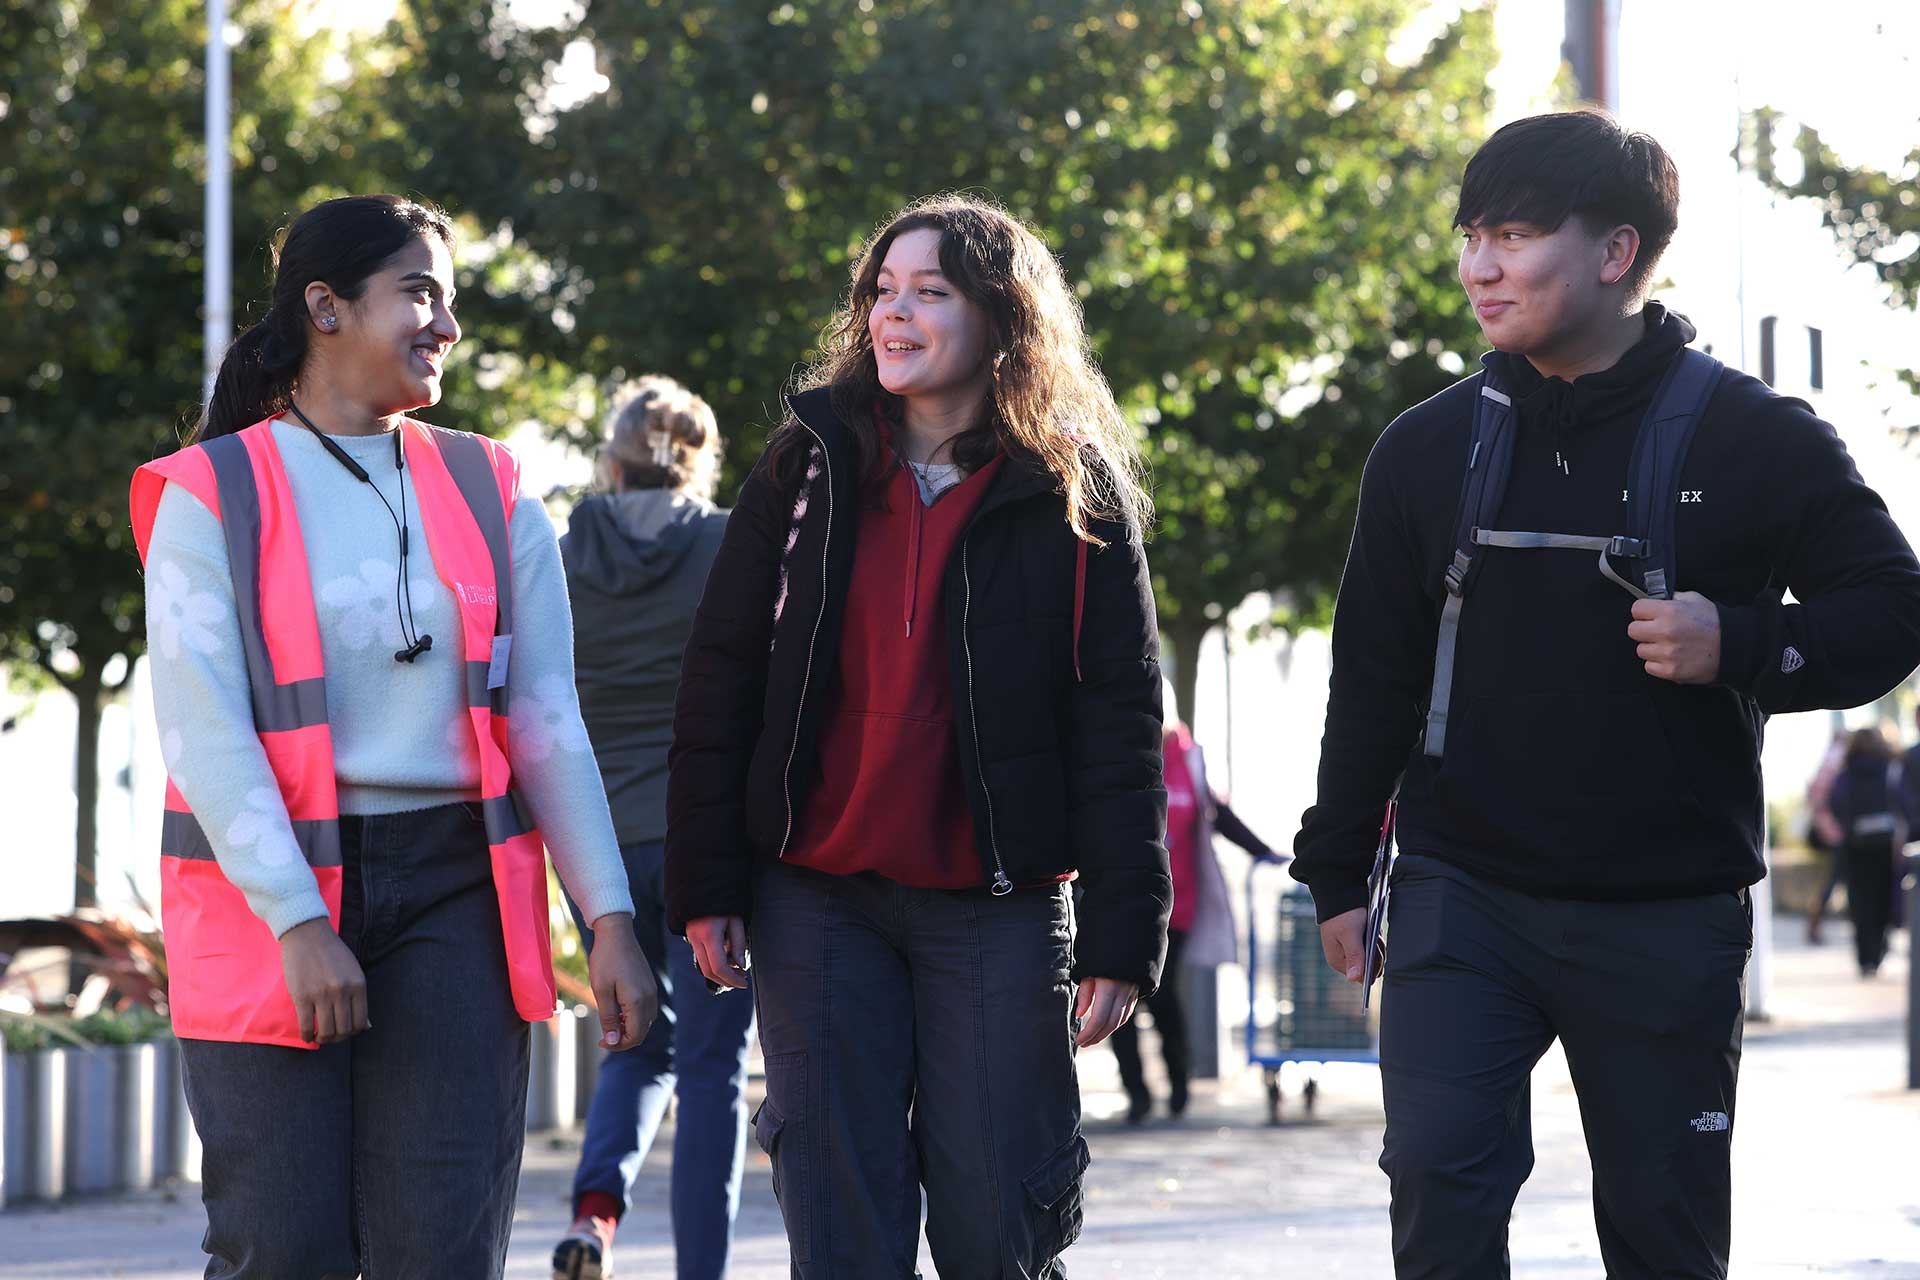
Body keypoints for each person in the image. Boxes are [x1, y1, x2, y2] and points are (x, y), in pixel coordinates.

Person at [1291, 111, 1920, 1279]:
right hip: (1461, 893)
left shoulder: (1754, 436)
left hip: (1666, 907)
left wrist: (1737, 640)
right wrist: (1337, 865)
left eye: (1513, 234)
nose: (1479, 264)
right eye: (1471, 235)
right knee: (1438, 1185)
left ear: (1616, 253)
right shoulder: (1423, 450)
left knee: (1664, 1229)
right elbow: (1371, 670)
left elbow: (1892, 606)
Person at [132, 194, 656, 1280]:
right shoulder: (210, 492)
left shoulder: (493, 484)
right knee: (281, 1249)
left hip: (456, 892)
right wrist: (299, 919)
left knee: (443, 1250)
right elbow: (203, 727)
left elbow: (547, 713)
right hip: (264, 903)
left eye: (449, 300)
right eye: (419, 291)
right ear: (325, 306)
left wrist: (606, 914)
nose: (446, 325)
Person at [664, 194, 1170, 1278]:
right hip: (815, 894)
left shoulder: (1075, 493)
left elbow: (1121, 719)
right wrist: (707, 882)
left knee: (1000, 1218)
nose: (894, 313)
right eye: (882, 291)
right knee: (840, 1224)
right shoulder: (803, 467)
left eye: (929, 291)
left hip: (997, 901)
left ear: (1002, 318)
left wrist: (1127, 931)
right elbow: (720, 680)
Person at [551, 378, 753, 1280]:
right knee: (712, 1065)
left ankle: (594, 1218)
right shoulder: (726, 547)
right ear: (700, 459)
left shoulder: (558, 556)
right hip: (707, 834)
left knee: (636, 1040)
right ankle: (700, 1272)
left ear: (612, 460)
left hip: (597, 838)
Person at [1110, 693, 1280, 1124]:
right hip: (1121, 901)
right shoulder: (1118, 750)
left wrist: (1266, 852)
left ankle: (1179, 1086)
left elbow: (1218, 815)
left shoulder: (1188, 759)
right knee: (1116, 998)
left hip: (1175, 908)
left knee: (1162, 996)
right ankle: (1137, 1094)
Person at [1828, 727, 1909, 976]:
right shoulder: (1890, 769)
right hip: (1885, 843)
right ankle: (1879, 952)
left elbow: (1836, 802)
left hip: (1855, 844)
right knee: (1884, 897)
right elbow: (1902, 802)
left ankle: (1865, 958)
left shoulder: (1846, 773)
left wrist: (1849, 823)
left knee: (1861, 902)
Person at [1803, 728, 1848, 944]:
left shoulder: (1828, 758)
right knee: (1833, 881)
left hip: (1827, 830)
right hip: (1834, 831)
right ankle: (1815, 924)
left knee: (1829, 881)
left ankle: (1815, 923)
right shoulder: (1837, 759)